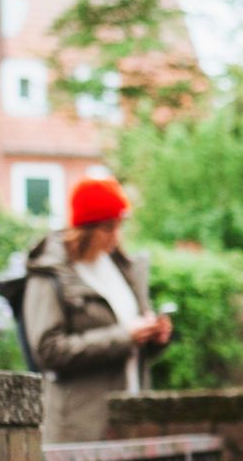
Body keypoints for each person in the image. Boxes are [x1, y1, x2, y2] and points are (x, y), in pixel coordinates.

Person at [17, 177, 172, 443]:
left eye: (119, 226)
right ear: (84, 229)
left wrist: (154, 337)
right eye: (107, 228)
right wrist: (124, 336)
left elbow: (133, 344)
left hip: (129, 420)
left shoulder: (122, 267)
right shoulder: (50, 273)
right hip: (80, 428)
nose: (116, 236)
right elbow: (47, 349)